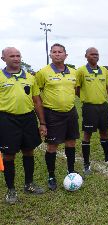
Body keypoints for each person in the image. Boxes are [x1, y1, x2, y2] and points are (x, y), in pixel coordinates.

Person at [0, 47, 46, 204]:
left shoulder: (29, 77)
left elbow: (37, 101)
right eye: (11, 56)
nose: (15, 58)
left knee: (29, 151)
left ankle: (29, 184)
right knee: (9, 155)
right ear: (3, 59)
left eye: (18, 55)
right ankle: (11, 190)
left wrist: (42, 122)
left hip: (28, 118)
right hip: (7, 119)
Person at [36, 43, 79, 191]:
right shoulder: (43, 73)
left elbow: (76, 89)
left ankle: (71, 171)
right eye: (54, 52)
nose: (57, 54)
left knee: (71, 143)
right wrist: (42, 120)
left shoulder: (74, 72)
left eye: (60, 52)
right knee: (52, 146)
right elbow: (36, 94)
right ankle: (51, 176)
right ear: (50, 55)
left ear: (66, 55)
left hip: (71, 112)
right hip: (52, 114)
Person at [76, 47, 108, 175]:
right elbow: (76, 89)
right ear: (86, 56)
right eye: (92, 54)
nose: (95, 56)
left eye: (97, 54)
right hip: (89, 108)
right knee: (87, 134)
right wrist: (86, 98)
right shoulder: (81, 71)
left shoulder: (104, 70)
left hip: (103, 107)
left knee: (104, 132)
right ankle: (86, 163)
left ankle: (107, 159)